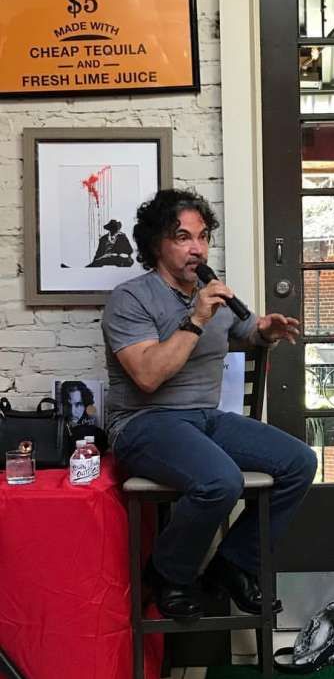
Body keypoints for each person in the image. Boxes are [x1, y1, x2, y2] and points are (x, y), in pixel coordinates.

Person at [102, 188, 317, 621]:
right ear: (156, 245)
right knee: (220, 480)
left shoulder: (211, 293)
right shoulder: (131, 299)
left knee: (299, 462)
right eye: (183, 237)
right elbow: (148, 376)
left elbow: (247, 329)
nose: (197, 248)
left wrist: (266, 330)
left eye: (202, 237)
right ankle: (167, 575)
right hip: (144, 423)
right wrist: (197, 317)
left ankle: (232, 566)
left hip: (205, 419)